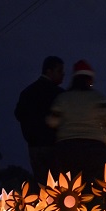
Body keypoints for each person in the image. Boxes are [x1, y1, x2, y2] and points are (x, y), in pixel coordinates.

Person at [47, 59, 106, 188]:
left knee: (69, 189)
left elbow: (51, 121)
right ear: (89, 80)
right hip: (95, 149)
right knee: (94, 188)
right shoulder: (97, 98)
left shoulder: (63, 98)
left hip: (67, 148)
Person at [14, 56, 65, 187]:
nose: (63, 75)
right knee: (59, 187)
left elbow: (19, 114)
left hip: (34, 146)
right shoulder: (60, 94)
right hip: (55, 146)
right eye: (59, 71)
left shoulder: (27, 92)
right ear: (49, 71)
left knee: (42, 185)